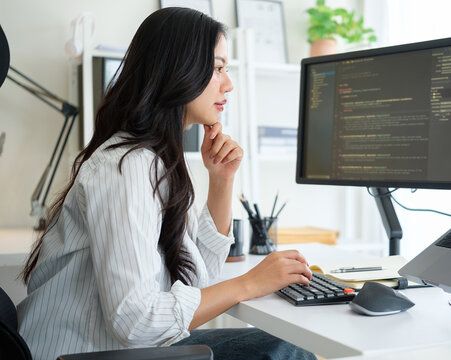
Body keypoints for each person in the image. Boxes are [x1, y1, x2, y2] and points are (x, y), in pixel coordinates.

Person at [17, 7, 315, 360]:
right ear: (179, 70)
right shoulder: (126, 168)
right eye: (218, 68)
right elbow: (135, 320)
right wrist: (249, 284)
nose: (228, 84)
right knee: (284, 353)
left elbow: (196, 279)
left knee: (282, 348)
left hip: (118, 349)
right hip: (85, 353)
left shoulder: (153, 161)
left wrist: (220, 182)